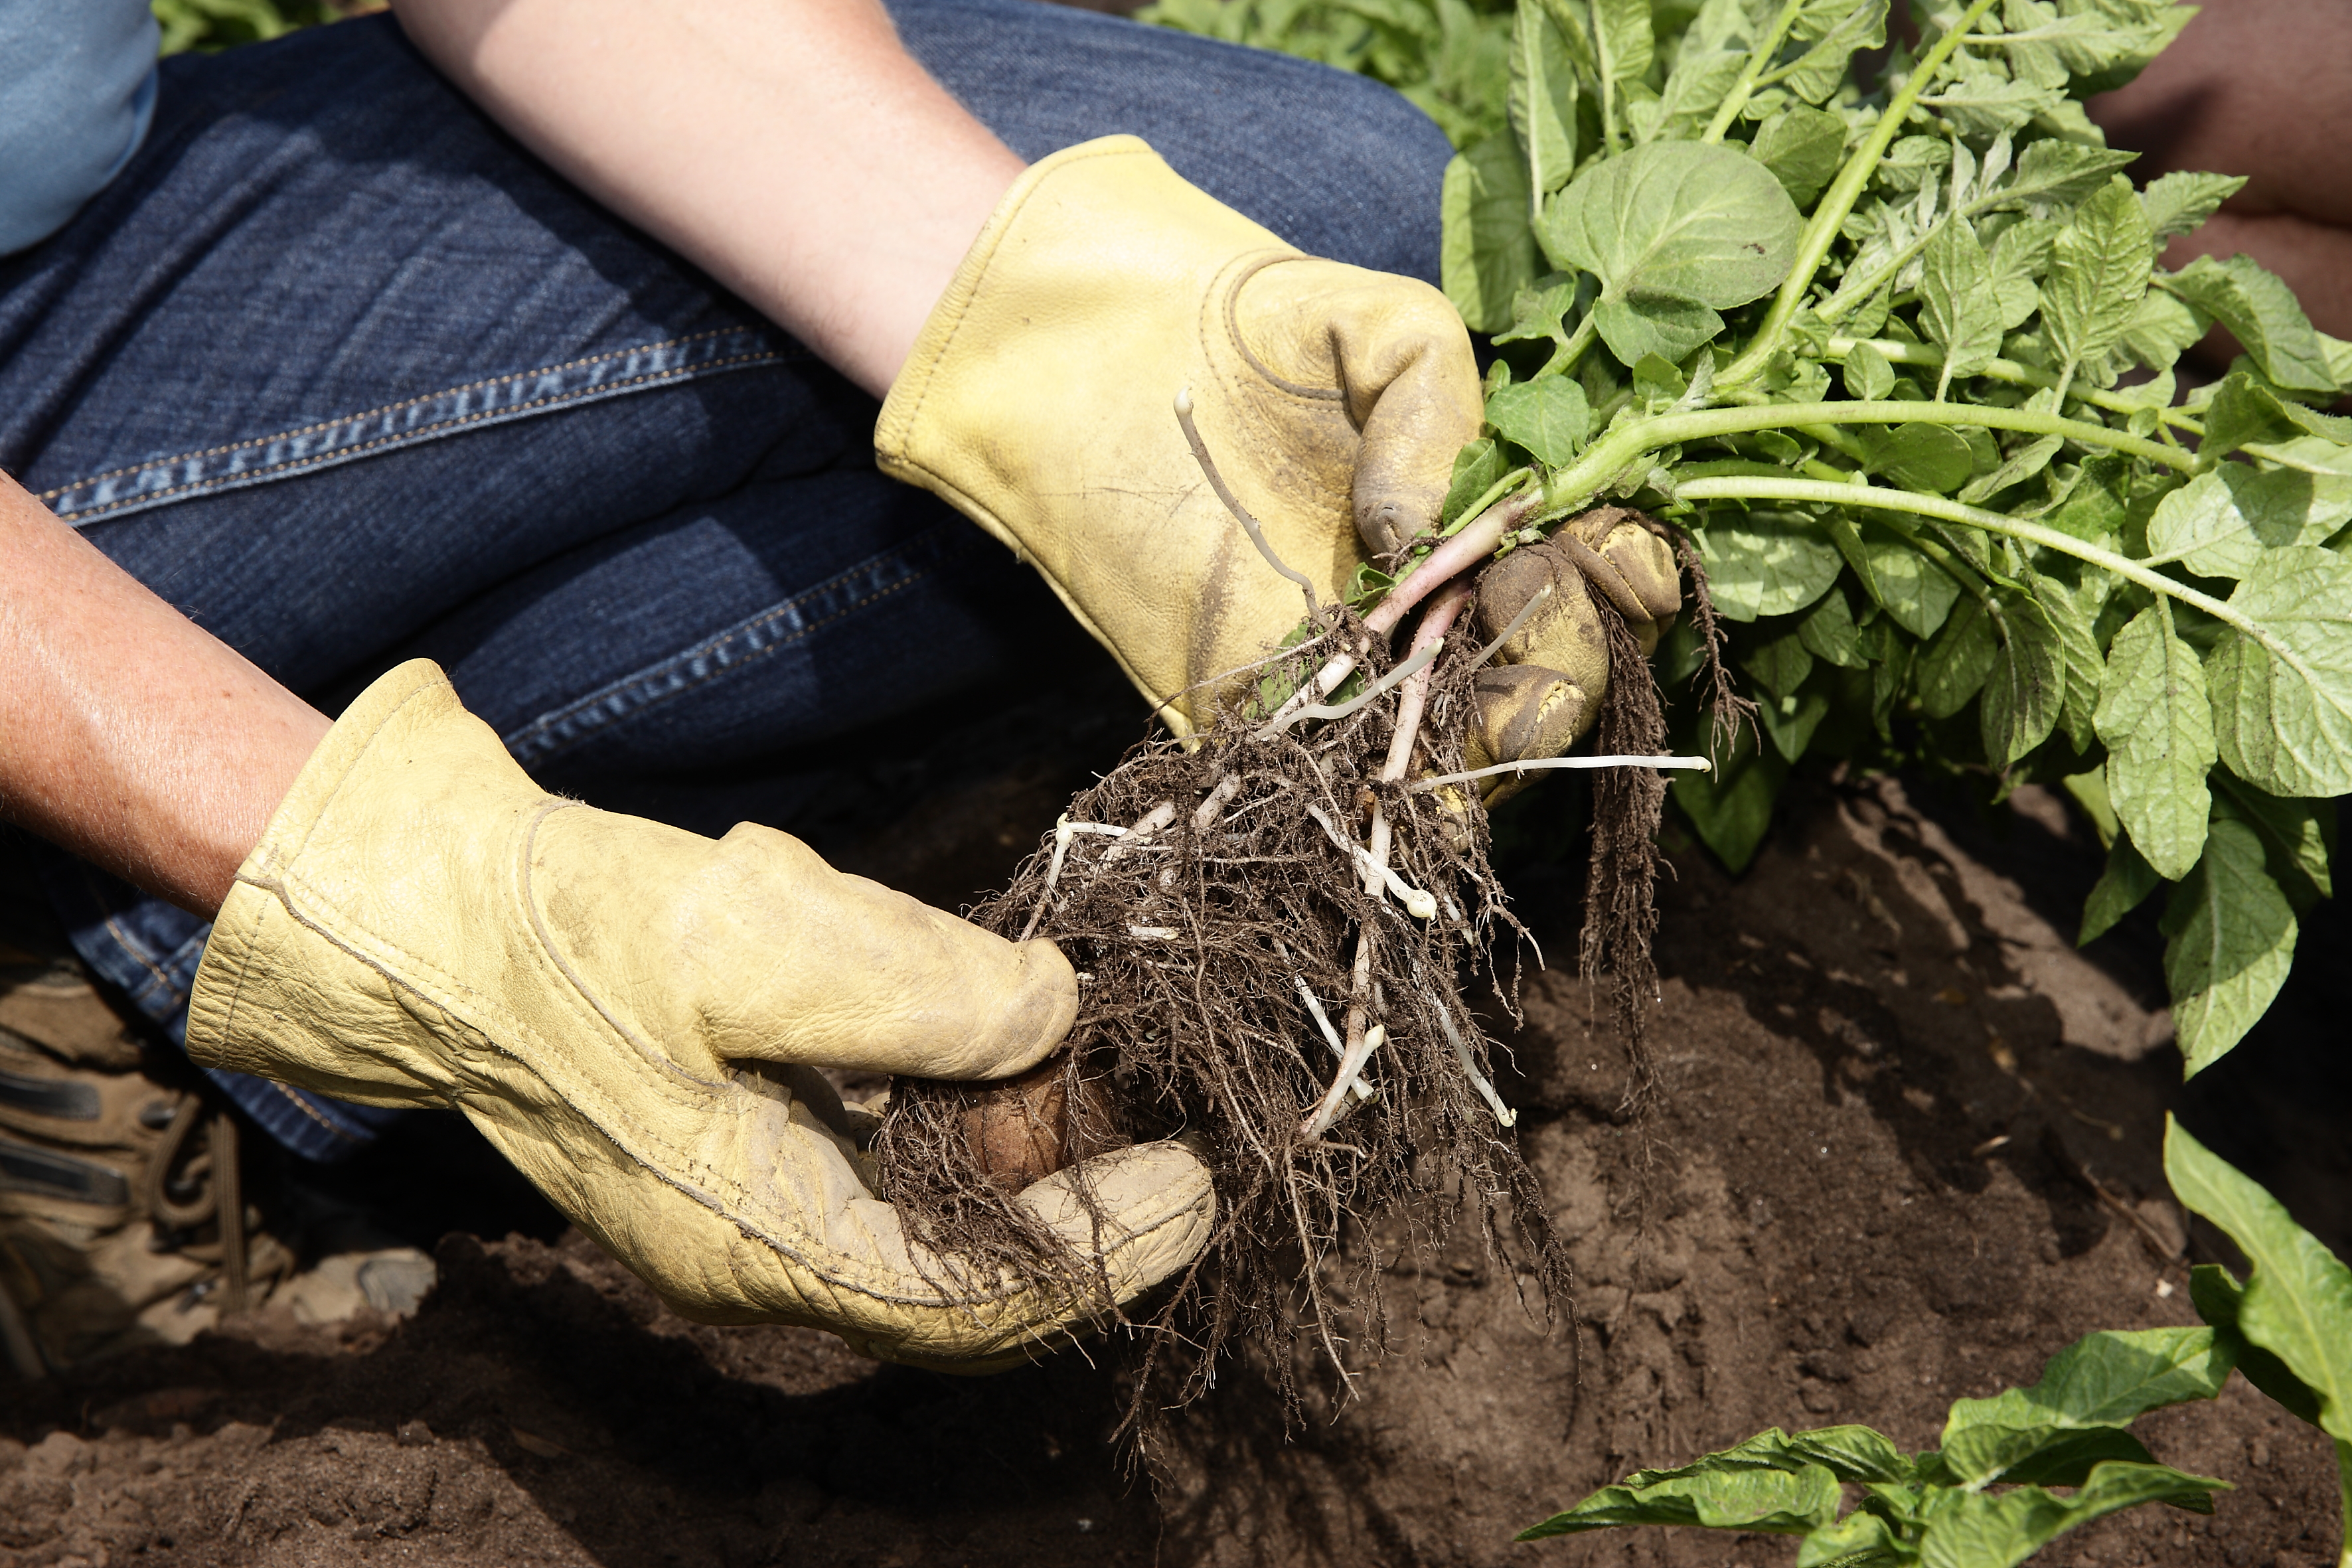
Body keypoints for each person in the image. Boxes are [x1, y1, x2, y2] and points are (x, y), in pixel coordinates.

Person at [0, 0, 1636, 1375]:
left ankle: (152, 915)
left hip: (89, 247)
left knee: (1308, 212)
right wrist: (404, 899)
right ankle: (122, 935)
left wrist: (1066, 340)